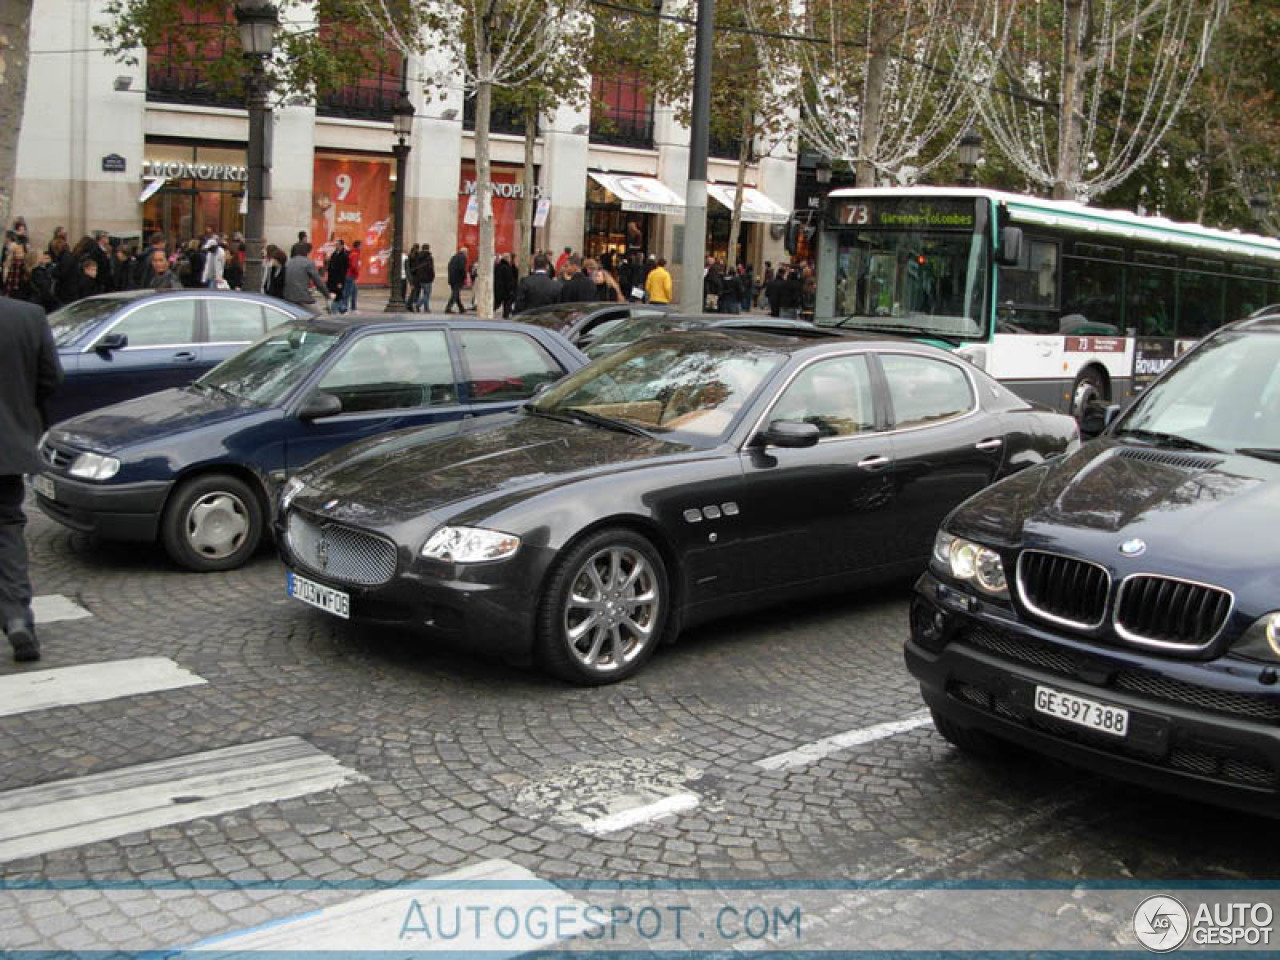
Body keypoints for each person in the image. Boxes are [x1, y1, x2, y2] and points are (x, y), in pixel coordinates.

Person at [0, 294, 63, 662]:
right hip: (8, 445)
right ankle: (18, 617)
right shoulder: (29, 315)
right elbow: (51, 378)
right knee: (8, 529)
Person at [282, 242, 330, 308]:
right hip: (302, 298)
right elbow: (318, 282)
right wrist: (327, 294)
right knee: (316, 315)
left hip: (288, 298)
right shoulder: (308, 263)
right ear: (306, 252)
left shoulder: (288, 263)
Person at [325, 239, 349, 313]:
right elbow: (330, 266)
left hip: (339, 279)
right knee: (334, 294)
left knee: (338, 294)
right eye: (336, 245)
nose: (336, 246)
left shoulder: (344, 255)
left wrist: (340, 282)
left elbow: (343, 270)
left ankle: (335, 309)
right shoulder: (334, 254)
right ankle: (341, 308)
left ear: (342, 245)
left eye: (338, 244)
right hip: (332, 279)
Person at [445, 245, 469, 313]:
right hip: (457, 279)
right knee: (455, 294)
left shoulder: (454, 257)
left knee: (456, 294)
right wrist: (464, 277)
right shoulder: (462, 257)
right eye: (467, 253)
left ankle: (461, 308)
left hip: (452, 278)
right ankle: (448, 308)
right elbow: (462, 268)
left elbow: (449, 266)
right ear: (465, 252)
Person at [494, 252, 518, 318]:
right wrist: (511, 289)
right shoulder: (506, 268)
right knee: (506, 304)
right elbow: (509, 279)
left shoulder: (498, 266)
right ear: (507, 258)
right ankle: (506, 316)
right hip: (506, 290)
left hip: (499, 289)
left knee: (497, 303)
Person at [413, 243, 435, 312]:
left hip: (420, 278)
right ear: (428, 248)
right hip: (427, 278)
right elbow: (430, 268)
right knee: (427, 294)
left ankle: (426, 308)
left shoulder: (418, 256)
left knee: (425, 294)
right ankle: (418, 304)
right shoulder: (429, 257)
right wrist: (432, 276)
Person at [343, 239, 362, 312]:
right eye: (361, 245)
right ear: (358, 246)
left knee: (354, 291)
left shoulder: (352, 253)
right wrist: (356, 273)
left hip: (349, 275)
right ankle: (345, 308)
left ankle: (353, 308)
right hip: (350, 275)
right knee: (348, 292)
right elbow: (354, 266)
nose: (361, 247)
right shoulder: (355, 254)